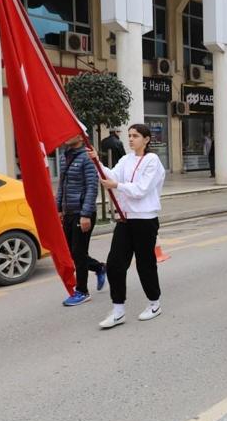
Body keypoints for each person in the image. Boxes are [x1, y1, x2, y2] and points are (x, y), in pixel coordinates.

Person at [90, 124, 167, 329]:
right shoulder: (125, 159)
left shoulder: (152, 161)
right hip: (125, 220)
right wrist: (97, 161)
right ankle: (118, 310)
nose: (131, 139)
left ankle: (154, 303)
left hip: (145, 220)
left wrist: (117, 186)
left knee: (145, 264)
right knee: (115, 264)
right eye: (129, 135)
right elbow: (111, 176)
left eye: (136, 136)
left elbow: (141, 189)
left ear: (147, 139)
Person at [57, 134, 107, 306]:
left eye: (69, 133)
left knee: (78, 253)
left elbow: (92, 187)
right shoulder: (65, 156)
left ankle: (82, 291)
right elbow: (61, 185)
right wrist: (59, 209)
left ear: (79, 136)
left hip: (83, 213)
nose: (65, 137)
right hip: (69, 212)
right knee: (72, 252)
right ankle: (99, 267)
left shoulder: (87, 158)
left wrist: (85, 214)